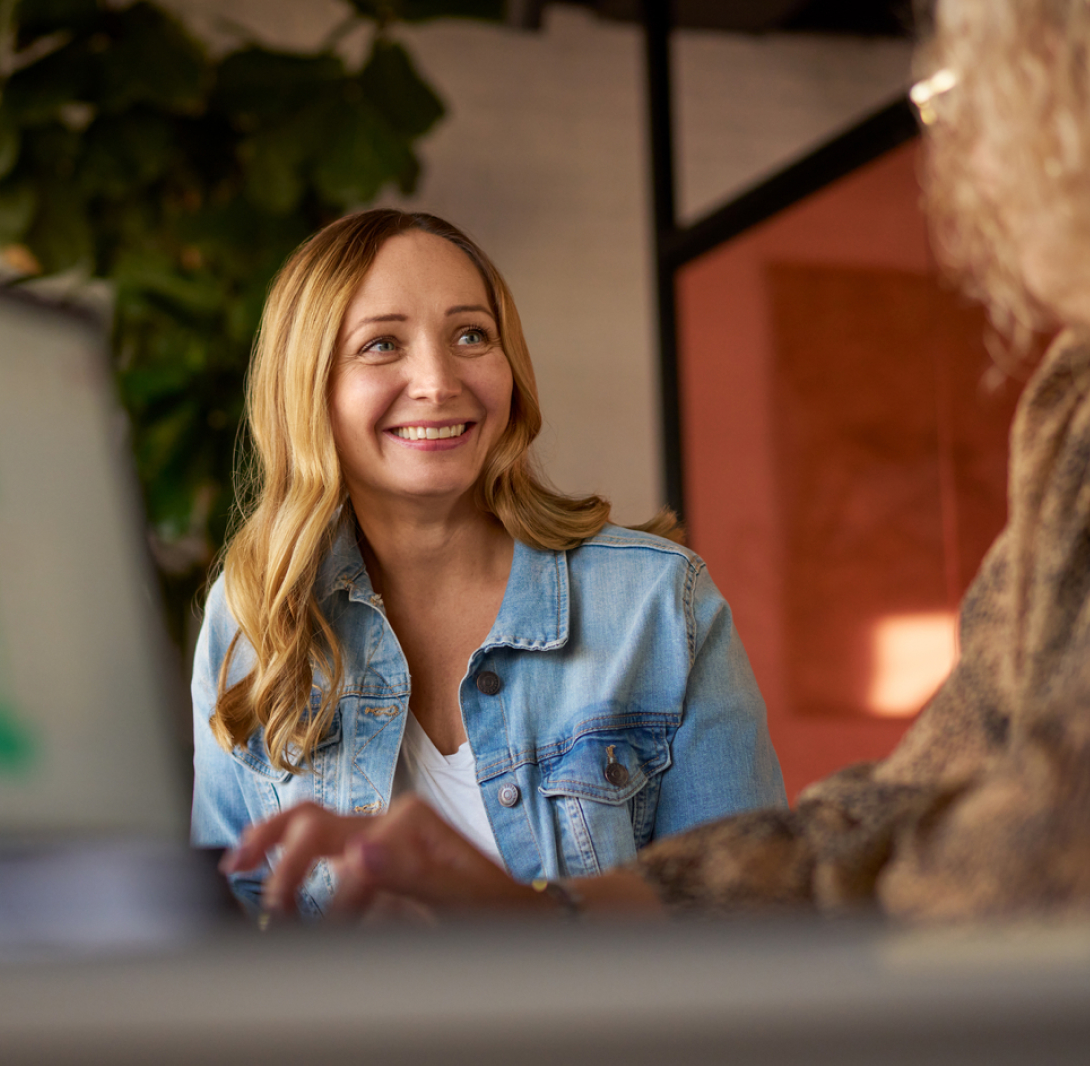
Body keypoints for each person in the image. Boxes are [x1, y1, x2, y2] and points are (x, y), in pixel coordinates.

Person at [225, 0, 1090, 922]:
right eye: (380, 344)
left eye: (981, 81)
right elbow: (901, 801)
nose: (964, 143)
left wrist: (550, 941)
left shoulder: (656, 601)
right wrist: (546, 921)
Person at [192, 210, 786, 915]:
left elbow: (749, 912)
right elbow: (233, 919)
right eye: (382, 344)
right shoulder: (256, 609)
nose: (438, 381)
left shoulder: (658, 602)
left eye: (471, 335)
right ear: (308, 389)